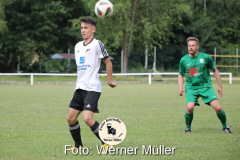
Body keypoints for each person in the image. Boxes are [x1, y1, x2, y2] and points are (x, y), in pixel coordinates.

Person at [66, 17, 117, 152]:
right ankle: (79, 146)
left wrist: (109, 81)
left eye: (86, 28)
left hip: (93, 88)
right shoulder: (77, 46)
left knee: (87, 118)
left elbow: (108, 62)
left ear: (93, 29)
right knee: (70, 118)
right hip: (80, 88)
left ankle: (107, 143)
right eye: (82, 28)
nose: (83, 30)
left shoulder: (97, 44)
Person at [178, 37, 233, 133]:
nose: (190, 47)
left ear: (197, 46)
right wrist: (180, 88)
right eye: (189, 46)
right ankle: (188, 129)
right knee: (190, 107)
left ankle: (225, 127)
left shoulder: (206, 58)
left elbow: (215, 70)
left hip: (206, 87)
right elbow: (180, 74)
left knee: (218, 108)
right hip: (191, 88)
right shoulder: (183, 60)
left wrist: (220, 86)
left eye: (193, 46)